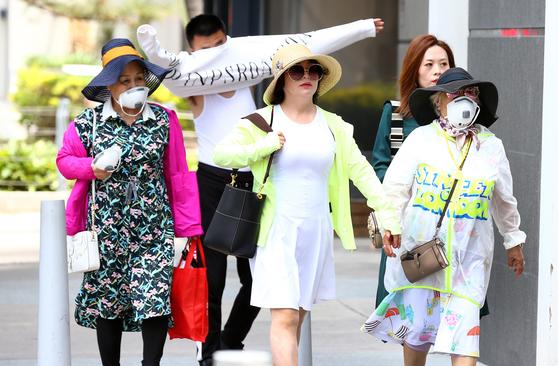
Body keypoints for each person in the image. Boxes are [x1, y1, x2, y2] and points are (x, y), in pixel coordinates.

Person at [138, 14, 386, 365]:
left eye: (220, 47)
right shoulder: (194, 88)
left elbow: (303, 43)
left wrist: (360, 28)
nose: (215, 56)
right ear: (192, 53)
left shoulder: (249, 76)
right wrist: (156, 52)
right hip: (214, 181)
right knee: (213, 277)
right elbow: (165, 74)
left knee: (258, 285)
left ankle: (230, 340)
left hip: (256, 184)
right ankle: (209, 352)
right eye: (205, 51)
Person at [213, 43, 401, 366]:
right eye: (297, 71)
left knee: (296, 319)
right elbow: (222, 154)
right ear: (282, 79)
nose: (307, 77)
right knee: (284, 317)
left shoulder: (334, 126)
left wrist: (389, 216)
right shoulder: (262, 121)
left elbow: (362, 172)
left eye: (314, 71)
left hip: (315, 231)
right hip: (276, 232)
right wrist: (263, 146)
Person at [362, 67, 526, 366]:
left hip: (469, 260)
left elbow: (504, 200)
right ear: (439, 101)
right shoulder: (421, 139)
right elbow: (395, 187)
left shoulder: (491, 146)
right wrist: (390, 224)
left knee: (466, 340)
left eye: (471, 93)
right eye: (456, 93)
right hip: (423, 256)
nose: (465, 98)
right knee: (417, 338)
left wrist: (513, 240)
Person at [56, 39, 202, 366]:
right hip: (105, 229)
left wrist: (188, 226)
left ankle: (151, 364)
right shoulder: (89, 123)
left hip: (155, 228)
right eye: (126, 80)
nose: (135, 86)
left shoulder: (165, 120)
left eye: (139, 79)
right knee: (108, 303)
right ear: (110, 85)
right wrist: (91, 168)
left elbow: (178, 174)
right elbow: (64, 161)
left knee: (155, 300)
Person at [371, 34, 455, 308]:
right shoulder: (395, 114)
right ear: (414, 69)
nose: (437, 71)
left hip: (450, 222)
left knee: (450, 304)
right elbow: (381, 164)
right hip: (406, 223)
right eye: (429, 64)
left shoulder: (460, 118)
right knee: (408, 304)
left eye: (443, 64)